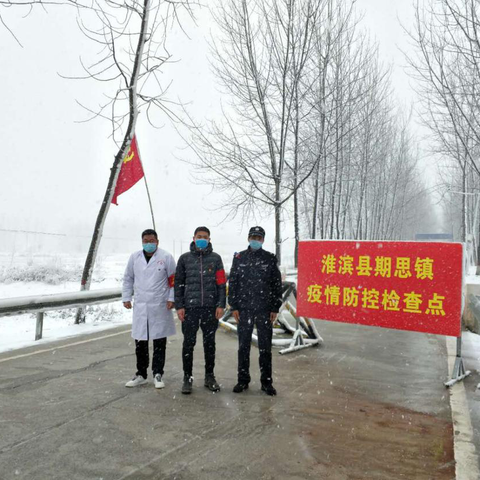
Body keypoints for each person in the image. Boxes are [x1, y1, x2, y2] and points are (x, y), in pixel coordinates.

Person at [228, 226, 283, 396]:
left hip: (264, 309)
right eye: (253, 237)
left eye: (259, 238)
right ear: (248, 238)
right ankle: (242, 380)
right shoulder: (239, 258)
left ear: (263, 240)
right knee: (243, 346)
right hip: (244, 309)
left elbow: (276, 284)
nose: (256, 240)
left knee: (265, 348)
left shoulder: (269, 258)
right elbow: (234, 283)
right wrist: (234, 306)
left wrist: (275, 307)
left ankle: (266, 382)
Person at [174, 226, 227, 394]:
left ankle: (209, 376)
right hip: (190, 308)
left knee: (209, 344)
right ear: (194, 238)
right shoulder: (184, 259)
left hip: (210, 309)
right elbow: (179, 284)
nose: (202, 239)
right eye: (199, 236)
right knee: (188, 343)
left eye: (205, 237)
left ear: (209, 239)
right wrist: (180, 306)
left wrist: (221, 304)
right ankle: (187, 378)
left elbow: (221, 283)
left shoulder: (216, 259)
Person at [122, 229, 176, 389]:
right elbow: (128, 278)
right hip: (141, 305)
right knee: (141, 342)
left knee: (159, 341)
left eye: (151, 240)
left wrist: (171, 298)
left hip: (160, 304)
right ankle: (141, 374)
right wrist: (126, 297)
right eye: (145, 241)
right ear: (142, 242)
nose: (149, 243)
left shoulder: (166, 257)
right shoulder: (135, 257)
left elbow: (173, 279)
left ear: (157, 242)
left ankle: (158, 374)